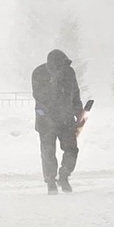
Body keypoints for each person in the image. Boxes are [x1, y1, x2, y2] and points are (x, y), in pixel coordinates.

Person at [31, 49, 84, 195]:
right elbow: (39, 96)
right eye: (60, 65)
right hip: (45, 121)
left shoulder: (69, 73)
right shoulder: (39, 73)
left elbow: (75, 94)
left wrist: (79, 114)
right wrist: (53, 81)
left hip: (66, 120)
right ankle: (50, 182)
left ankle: (64, 176)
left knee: (72, 150)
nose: (63, 68)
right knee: (48, 152)